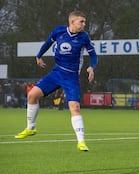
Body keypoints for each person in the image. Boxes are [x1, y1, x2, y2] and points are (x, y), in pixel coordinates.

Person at [14, 10, 98, 152]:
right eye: (81, 21)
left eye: (84, 21)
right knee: (32, 95)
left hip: (71, 77)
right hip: (56, 72)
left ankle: (81, 141)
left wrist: (91, 67)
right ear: (72, 22)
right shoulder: (58, 31)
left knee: (74, 107)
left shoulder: (84, 37)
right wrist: (39, 55)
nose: (84, 24)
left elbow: (93, 55)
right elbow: (47, 43)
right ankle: (31, 128)